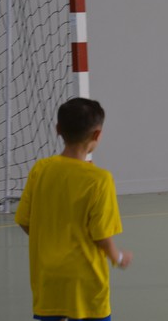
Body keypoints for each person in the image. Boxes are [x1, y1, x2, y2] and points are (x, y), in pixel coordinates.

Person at [15, 98, 133, 321]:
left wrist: (51, 240)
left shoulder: (40, 169)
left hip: (48, 277)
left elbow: (24, 220)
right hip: (86, 280)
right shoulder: (99, 179)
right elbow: (101, 235)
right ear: (97, 134)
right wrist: (117, 256)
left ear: (58, 129)